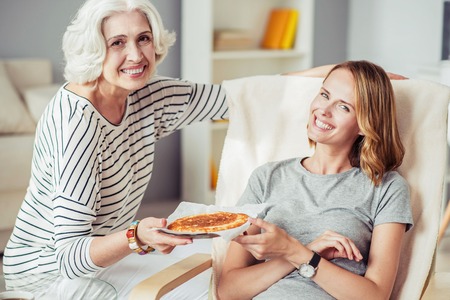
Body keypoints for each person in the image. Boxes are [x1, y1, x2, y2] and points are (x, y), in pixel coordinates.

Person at [2, 0, 226, 298]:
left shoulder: (147, 93)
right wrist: (135, 236)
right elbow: (69, 257)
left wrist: (311, 90)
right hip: (47, 276)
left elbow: (239, 97)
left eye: (143, 38)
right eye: (117, 42)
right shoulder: (76, 124)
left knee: (215, 271)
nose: (135, 55)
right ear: (94, 48)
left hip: (103, 261)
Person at [217, 60, 413, 299]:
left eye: (344, 107)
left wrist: (300, 254)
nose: (324, 110)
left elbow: (375, 295)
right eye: (324, 95)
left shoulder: (386, 188)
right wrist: (301, 252)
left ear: (365, 124)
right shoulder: (267, 177)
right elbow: (228, 290)